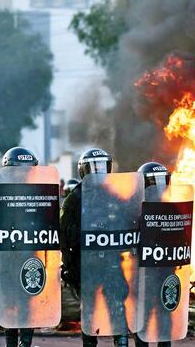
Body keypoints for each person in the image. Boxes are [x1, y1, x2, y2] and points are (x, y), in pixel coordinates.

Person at [61, 148, 129, 347]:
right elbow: (64, 235)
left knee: (117, 306)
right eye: (94, 167)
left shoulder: (114, 194)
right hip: (86, 264)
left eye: (102, 166)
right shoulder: (75, 197)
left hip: (111, 262)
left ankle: (121, 343)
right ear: (84, 170)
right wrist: (70, 266)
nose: (99, 171)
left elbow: (126, 223)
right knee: (89, 309)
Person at [0, 147, 38, 347]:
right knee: (9, 300)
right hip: (7, 253)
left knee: (28, 298)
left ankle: (25, 343)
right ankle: (11, 343)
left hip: (30, 250)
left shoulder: (40, 188)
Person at [134, 162, 172, 347]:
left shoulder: (172, 209)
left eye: (162, 181)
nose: (159, 187)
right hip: (144, 274)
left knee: (162, 317)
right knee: (145, 317)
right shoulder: (135, 208)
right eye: (155, 182)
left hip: (163, 272)